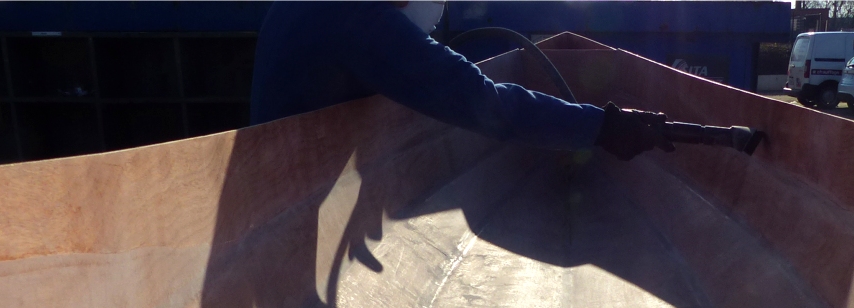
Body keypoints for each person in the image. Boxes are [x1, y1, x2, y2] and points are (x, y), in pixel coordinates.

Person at [250, 1, 675, 161]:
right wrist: (602, 126)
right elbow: (483, 102)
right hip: (286, 200)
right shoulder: (360, 22)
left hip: (277, 178)